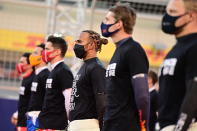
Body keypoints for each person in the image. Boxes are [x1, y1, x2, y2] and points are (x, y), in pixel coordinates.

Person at [101, 4, 150, 131]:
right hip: (111, 123)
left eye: (107, 19)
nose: (103, 23)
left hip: (126, 124)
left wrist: (143, 123)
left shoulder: (133, 49)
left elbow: (143, 94)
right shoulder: (118, 51)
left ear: (119, 24)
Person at [158, 0, 197, 131]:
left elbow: (194, 92)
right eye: (167, 11)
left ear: (191, 16)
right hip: (169, 125)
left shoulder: (194, 46)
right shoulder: (178, 47)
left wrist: (180, 127)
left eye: (173, 12)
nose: (167, 16)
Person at [68, 30, 107, 131]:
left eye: (79, 41)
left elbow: (102, 102)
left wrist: (103, 127)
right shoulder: (86, 65)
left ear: (91, 45)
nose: (76, 44)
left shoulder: (96, 68)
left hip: (88, 124)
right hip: (77, 124)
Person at [38, 35, 73, 131]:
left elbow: (69, 97)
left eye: (47, 49)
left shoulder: (63, 71)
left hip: (55, 125)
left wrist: (69, 120)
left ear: (57, 51)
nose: (43, 52)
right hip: (46, 123)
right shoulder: (53, 71)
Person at [26, 43, 50, 131]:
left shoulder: (46, 75)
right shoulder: (37, 74)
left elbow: (48, 98)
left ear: (43, 56)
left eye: (35, 53)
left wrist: (40, 115)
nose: (32, 56)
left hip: (38, 118)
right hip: (32, 117)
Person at [16, 52, 35, 131]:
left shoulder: (33, 79)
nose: (19, 64)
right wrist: (16, 114)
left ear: (30, 64)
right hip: (21, 120)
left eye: (22, 62)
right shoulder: (25, 78)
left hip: (27, 122)